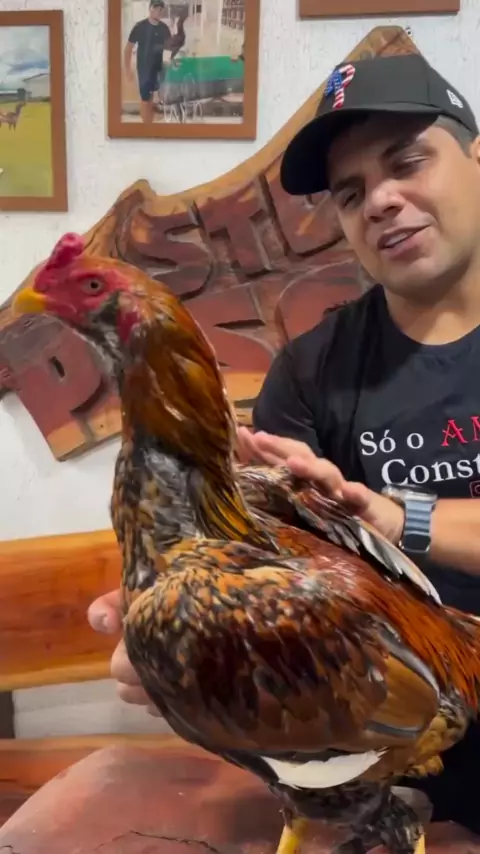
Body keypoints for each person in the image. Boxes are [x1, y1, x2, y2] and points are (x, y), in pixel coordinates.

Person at [89, 53, 480, 834]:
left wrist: (393, 518)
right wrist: (186, 639)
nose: (382, 201)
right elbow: (264, 578)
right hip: (386, 765)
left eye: (407, 162)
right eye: (351, 193)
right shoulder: (309, 371)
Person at [124, 0, 171, 124]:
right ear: (150, 9)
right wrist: (127, 69)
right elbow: (128, 48)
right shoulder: (140, 27)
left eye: (161, 9)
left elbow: (170, 49)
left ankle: (149, 122)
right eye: (155, 8)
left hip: (159, 68)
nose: (158, 11)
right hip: (144, 68)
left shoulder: (164, 29)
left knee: (152, 98)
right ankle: (146, 125)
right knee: (145, 98)